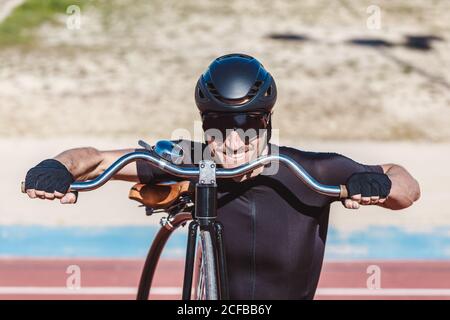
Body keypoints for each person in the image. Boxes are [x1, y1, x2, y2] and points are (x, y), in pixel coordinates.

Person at [24, 53, 420, 299]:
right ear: (203, 122)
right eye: (217, 122)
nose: (232, 140)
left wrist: (379, 184)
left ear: (266, 121)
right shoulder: (190, 161)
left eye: (247, 122)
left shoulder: (310, 171)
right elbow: (92, 160)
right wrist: (56, 168)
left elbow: (406, 188)